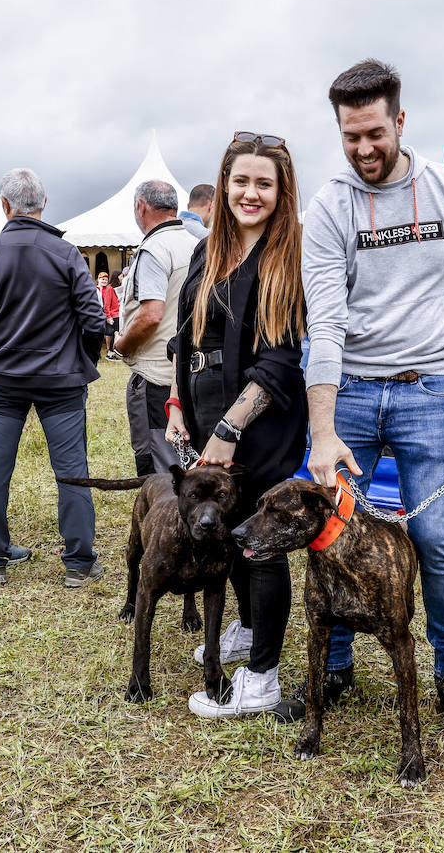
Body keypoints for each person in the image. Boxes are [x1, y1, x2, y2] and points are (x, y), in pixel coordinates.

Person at [299, 59, 444, 737]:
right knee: (329, 535)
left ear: (400, 121)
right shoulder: (329, 207)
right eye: (349, 136)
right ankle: (332, 667)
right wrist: (324, 432)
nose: (363, 149)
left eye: (374, 133)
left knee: (437, 539)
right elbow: (325, 324)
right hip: (353, 391)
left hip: (431, 391)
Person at [166, 132, 309, 717]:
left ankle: (263, 677)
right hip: (205, 420)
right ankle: (248, 630)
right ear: (224, 184)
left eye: (264, 183)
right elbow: (185, 336)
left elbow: (279, 359)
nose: (250, 193)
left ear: (282, 190)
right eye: (241, 180)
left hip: (261, 426)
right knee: (228, 532)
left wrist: (228, 431)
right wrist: (178, 404)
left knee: (262, 542)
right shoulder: (208, 249)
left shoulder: (288, 255)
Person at [0, 168, 107, 587]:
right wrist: (81, 360)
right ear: (43, 204)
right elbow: (94, 319)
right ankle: (78, 562)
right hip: (60, 380)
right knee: (72, 469)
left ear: (5, 206)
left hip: (3, 380)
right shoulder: (65, 253)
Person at [114, 180, 198, 476]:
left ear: (141, 206)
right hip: (192, 377)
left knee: (161, 473)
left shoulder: (154, 248)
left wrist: (121, 344)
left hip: (158, 379)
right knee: (190, 464)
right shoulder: (197, 244)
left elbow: (151, 314)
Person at [96, 272, 120, 359]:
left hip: (107, 312)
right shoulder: (96, 289)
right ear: (98, 279)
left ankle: (109, 350)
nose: (104, 281)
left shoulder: (108, 289)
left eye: (106, 280)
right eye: (102, 279)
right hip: (99, 312)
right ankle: (100, 352)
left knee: (109, 332)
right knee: (99, 332)